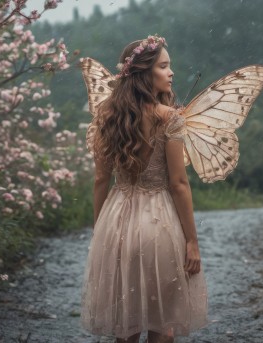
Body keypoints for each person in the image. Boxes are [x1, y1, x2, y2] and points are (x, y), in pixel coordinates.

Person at [80, 35, 209, 343]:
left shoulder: (107, 116)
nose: (171, 73)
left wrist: (100, 231)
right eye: (164, 66)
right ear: (144, 73)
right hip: (159, 225)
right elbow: (178, 183)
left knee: (125, 322)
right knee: (162, 322)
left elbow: (101, 180)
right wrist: (192, 241)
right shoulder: (169, 119)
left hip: (116, 223)